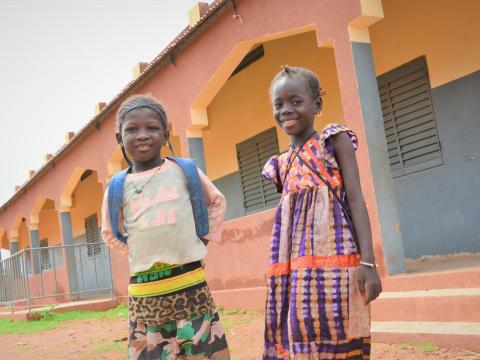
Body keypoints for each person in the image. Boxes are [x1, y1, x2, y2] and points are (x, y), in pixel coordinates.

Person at [262, 66, 382, 359]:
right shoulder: (279, 164)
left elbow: (355, 198)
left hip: (337, 263)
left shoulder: (333, 140)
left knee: (341, 333)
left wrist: (368, 262)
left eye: (296, 101)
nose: (286, 110)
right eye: (279, 104)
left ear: (317, 105)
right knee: (297, 335)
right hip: (293, 270)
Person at [101, 94, 230, 360]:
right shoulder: (117, 187)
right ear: (119, 139)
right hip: (146, 297)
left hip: (192, 289)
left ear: (166, 133)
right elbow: (110, 232)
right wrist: (141, 251)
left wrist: (200, 241)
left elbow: (216, 201)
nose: (143, 135)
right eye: (132, 130)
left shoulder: (184, 171)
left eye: (152, 128)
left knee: (204, 352)